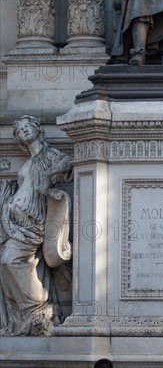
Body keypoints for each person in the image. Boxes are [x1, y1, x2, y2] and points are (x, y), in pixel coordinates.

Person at [0, 116, 72, 336]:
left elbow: (68, 163)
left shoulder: (48, 155)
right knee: (8, 263)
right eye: (19, 130)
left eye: (26, 126)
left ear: (38, 129)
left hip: (34, 223)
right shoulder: (29, 161)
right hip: (16, 222)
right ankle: (28, 312)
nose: (23, 130)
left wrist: (51, 177)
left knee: (9, 261)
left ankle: (38, 307)